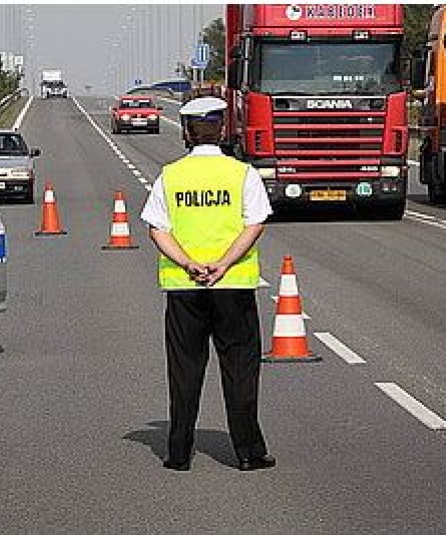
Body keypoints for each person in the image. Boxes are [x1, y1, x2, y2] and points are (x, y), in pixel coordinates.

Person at [140, 97, 275, 472]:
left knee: (184, 369)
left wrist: (188, 263)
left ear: (186, 132)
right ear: (222, 129)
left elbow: (157, 229)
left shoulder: (171, 176)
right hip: (232, 285)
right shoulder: (242, 174)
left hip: (184, 288)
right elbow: (255, 223)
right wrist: (223, 264)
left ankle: (179, 453)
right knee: (240, 369)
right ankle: (248, 451)